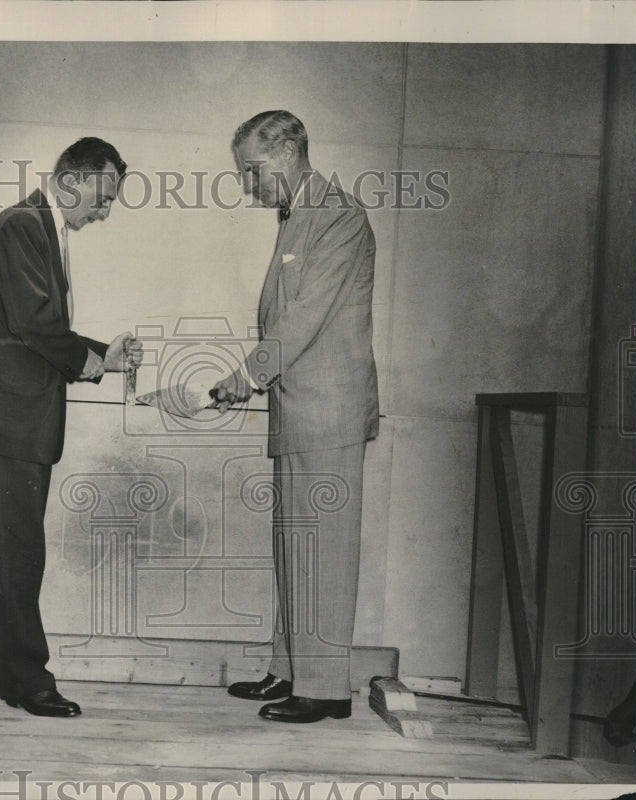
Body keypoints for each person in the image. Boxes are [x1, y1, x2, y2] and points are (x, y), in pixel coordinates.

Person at [0, 137, 143, 718]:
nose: (104, 212)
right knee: (16, 550)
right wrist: (89, 359)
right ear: (69, 183)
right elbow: (36, 322)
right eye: (102, 198)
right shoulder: (22, 228)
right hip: (8, 419)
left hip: (5, 417)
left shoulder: (34, 228)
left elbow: (36, 326)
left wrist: (100, 353)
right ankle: (28, 682)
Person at [212, 111, 379, 723]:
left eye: (253, 171)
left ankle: (327, 689)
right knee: (295, 547)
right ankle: (290, 671)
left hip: (327, 410)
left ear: (285, 154)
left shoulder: (336, 215)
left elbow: (302, 319)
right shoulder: (298, 217)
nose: (248, 185)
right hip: (299, 408)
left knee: (324, 552)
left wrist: (246, 375)